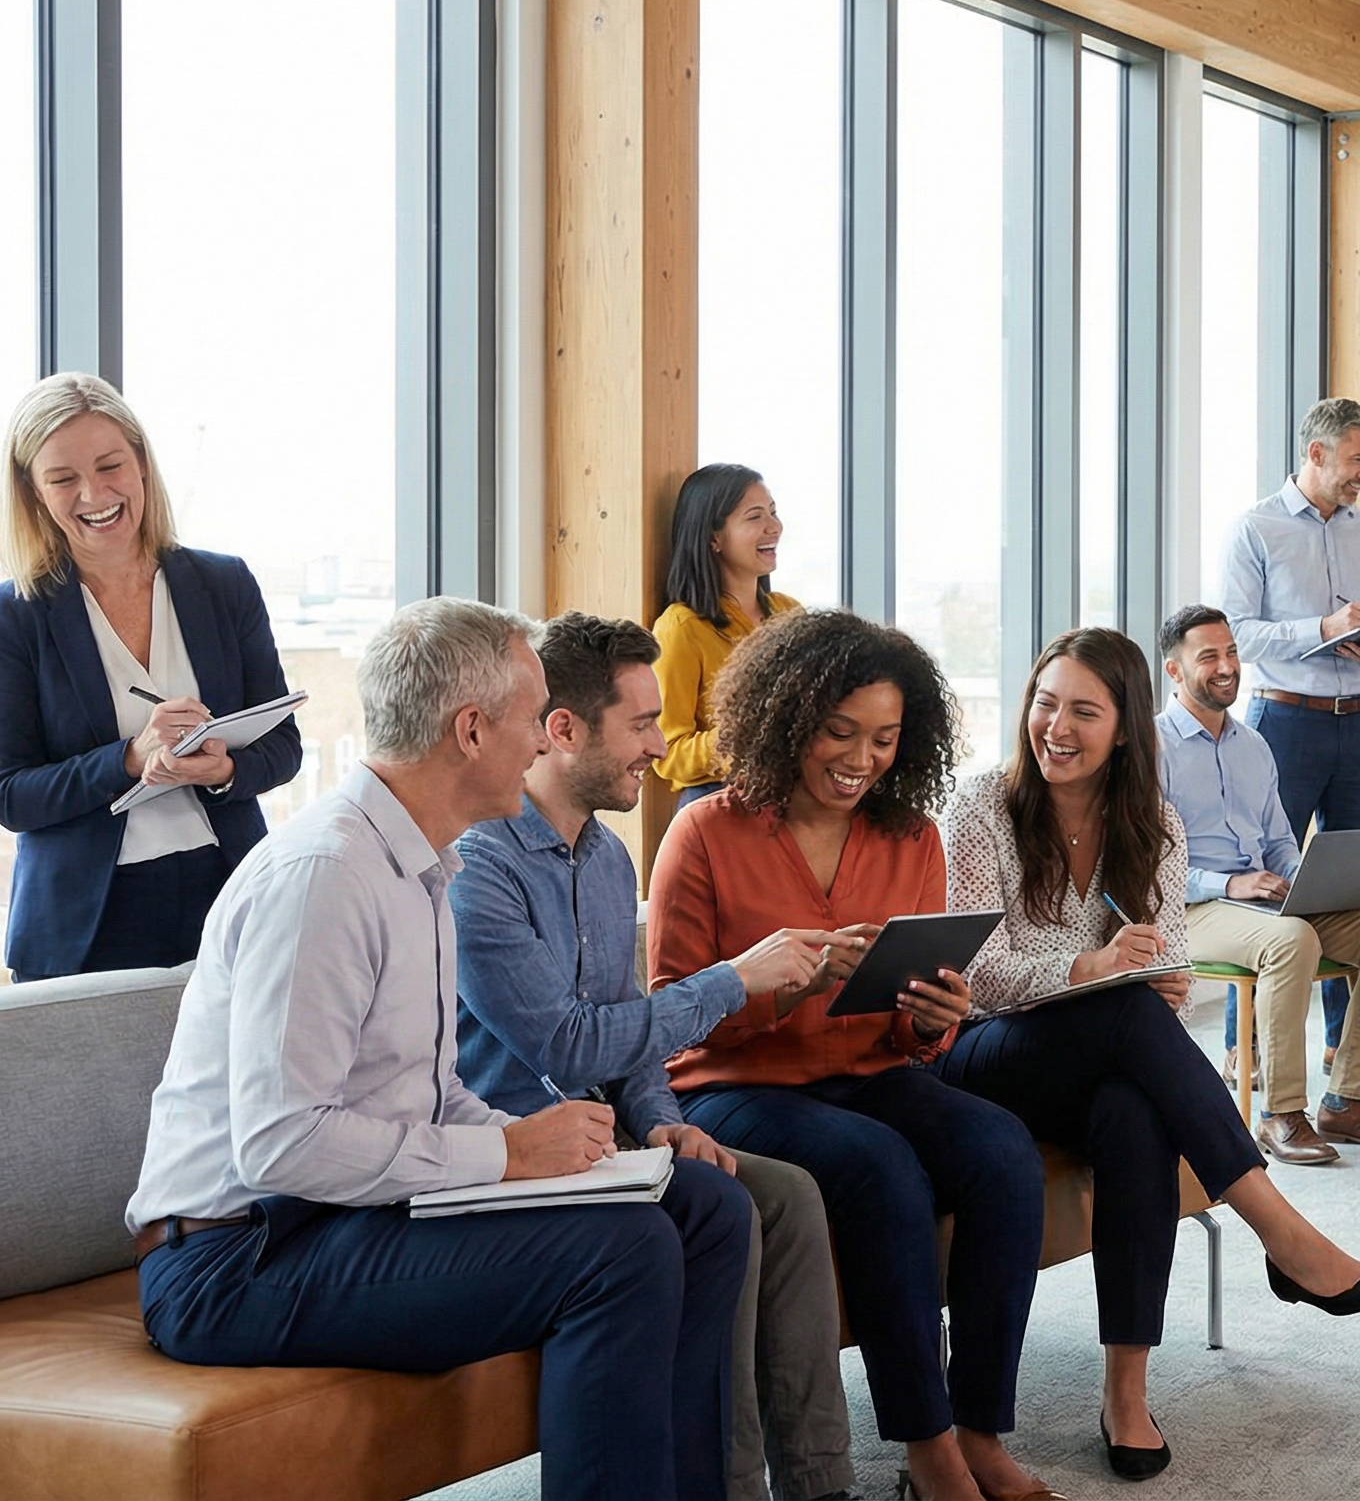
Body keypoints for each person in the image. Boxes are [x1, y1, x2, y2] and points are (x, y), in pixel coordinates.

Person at [124, 597, 751, 1501]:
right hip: (234, 1259)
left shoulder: (425, 863)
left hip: (345, 1215)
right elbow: (282, 1144)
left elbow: (425, 1091)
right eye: (534, 720)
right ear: (470, 730)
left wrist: (554, 1153)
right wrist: (505, 1153)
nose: (543, 743)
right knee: (622, 1253)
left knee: (698, 1205)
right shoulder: (328, 876)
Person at [936, 626, 1360, 1483]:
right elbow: (972, 974)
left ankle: (1126, 1391)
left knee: (1134, 1108)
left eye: (1084, 710)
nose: (1056, 727)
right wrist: (1089, 967)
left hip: (1100, 1059)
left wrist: (1157, 978)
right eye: (1044, 704)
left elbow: (1173, 962)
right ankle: (1280, 1229)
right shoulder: (980, 808)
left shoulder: (1153, 823)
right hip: (982, 1055)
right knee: (1124, 1019)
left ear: (1123, 729)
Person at [645, 608, 1056, 1501]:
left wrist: (934, 1016)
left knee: (1001, 1150)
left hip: (869, 1071)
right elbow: (668, 1024)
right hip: (731, 1086)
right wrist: (781, 989)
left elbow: (918, 1033)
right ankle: (927, 1447)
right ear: (787, 716)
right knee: (879, 1169)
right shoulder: (704, 833)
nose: (860, 758)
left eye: (883, 738)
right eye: (839, 732)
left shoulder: (910, 836)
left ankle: (981, 1428)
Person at [451, 612, 864, 1501]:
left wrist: (666, 1122)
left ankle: (822, 1484)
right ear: (562, 731)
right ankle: (729, 1485)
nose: (661, 745)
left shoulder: (604, 859)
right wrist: (734, 980)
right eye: (641, 723)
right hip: (517, 1152)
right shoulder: (478, 868)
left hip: (611, 1141)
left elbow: (627, 1025)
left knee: (786, 1191)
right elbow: (564, 1042)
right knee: (723, 1205)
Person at [0, 373, 302, 979]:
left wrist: (224, 769)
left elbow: (284, 749)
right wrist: (131, 759)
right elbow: (11, 796)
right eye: (63, 479)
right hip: (86, 922)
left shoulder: (224, 584)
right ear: (34, 493)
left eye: (111, 465)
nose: (94, 492)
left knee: (239, 1076)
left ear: (141, 464)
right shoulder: (16, 616)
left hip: (230, 893)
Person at [1153, 604, 1360, 1165]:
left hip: (1263, 903)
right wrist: (1229, 885)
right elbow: (1149, 867)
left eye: (1231, 652)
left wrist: (1307, 880)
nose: (1227, 666)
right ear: (1174, 671)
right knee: (1291, 941)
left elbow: (1278, 839)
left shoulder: (1254, 745)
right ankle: (1280, 1115)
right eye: (1209, 657)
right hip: (1192, 909)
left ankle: (1349, 1101)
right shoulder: (1150, 748)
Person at [1216, 395, 1360, 1068]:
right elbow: (1234, 633)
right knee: (1269, 879)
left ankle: (1343, 1045)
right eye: (1357, 460)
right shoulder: (1257, 529)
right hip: (1283, 722)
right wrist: (1322, 630)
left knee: (1353, 885)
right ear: (1317, 454)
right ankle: (1250, 1046)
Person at [652, 462, 799, 807]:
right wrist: (748, 737)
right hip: (717, 803)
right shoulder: (681, 628)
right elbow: (667, 752)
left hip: (790, 799)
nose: (774, 526)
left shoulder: (790, 613)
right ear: (713, 537)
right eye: (755, 517)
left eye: (773, 513)